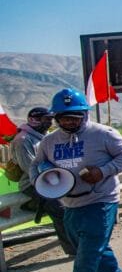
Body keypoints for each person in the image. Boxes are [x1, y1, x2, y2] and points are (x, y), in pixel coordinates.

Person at [30, 89, 122, 272]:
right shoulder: (48, 142)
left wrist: (103, 171)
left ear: (84, 115)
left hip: (101, 200)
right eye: (64, 118)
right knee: (92, 249)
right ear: (56, 118)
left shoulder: (102, 134)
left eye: (75, 117)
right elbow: (35, 166)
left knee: (86, 255)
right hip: (69, 203)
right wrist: (42, 175)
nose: (69, 122)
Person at [11, 107, 75, 256]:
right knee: (59, 210)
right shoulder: (23, 140)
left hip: (54, 179)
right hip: (33, 183)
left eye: (50, 119)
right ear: (34, 120)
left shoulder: (45, 136)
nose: (49, 122)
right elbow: (29, 167)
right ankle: (73, 249)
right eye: (46, 119)